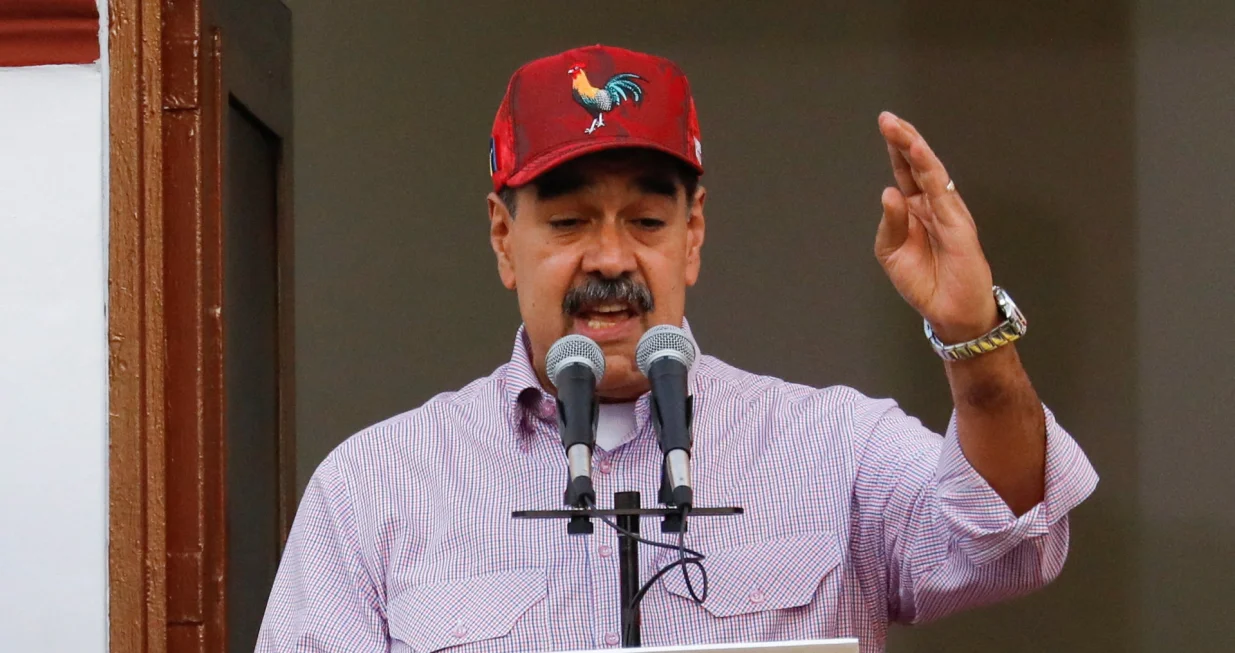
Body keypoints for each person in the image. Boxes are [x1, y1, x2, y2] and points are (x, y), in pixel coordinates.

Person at [256, 45, 1098, 653]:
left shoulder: (831, 446)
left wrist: (973, 339)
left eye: (647, 221)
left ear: (691, 236)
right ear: (503, 239)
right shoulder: (374, 487)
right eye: (568, 221)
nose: (610, 257)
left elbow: (1007, 540)